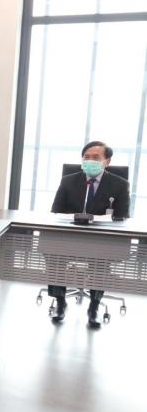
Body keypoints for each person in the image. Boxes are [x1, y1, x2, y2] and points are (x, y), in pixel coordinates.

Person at [47, 140, 131, 328]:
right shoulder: (68, 181)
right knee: (53, 252)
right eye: (86, 157)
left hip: (101, 240)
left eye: (95, 158)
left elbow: (123, 217)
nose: (90, 161)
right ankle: (60, 302)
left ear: (107, 161)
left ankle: (94, 306)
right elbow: (56, 211)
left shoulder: (120, 184)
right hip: (70, 237)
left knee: (101, 258)